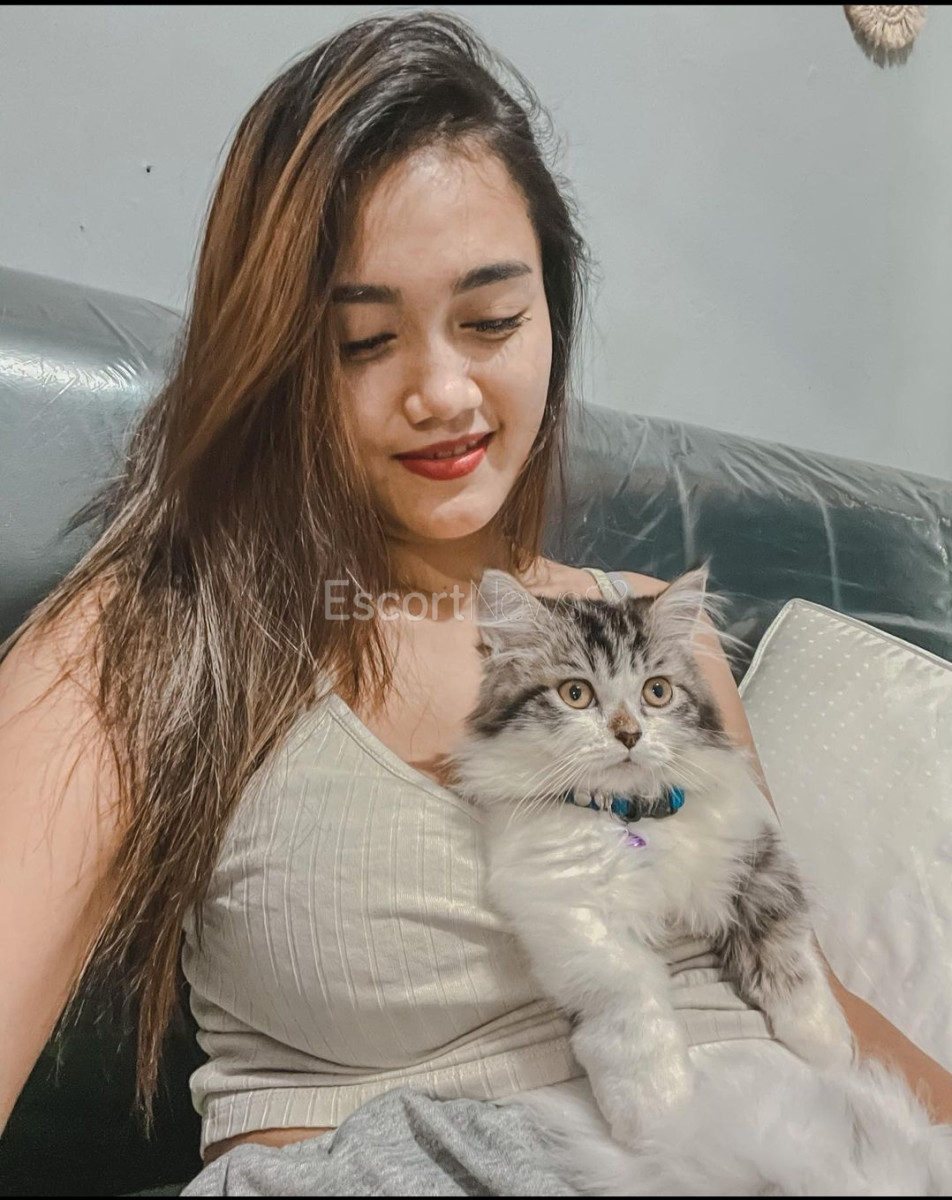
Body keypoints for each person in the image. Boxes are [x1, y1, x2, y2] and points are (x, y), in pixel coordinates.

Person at [1, 10, 950, 1195]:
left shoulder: (660, 631)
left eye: (493, 320)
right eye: (362, 342)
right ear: (276, 357)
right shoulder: (153, 638)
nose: (443, 391)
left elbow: (811, 994)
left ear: (553, 313)